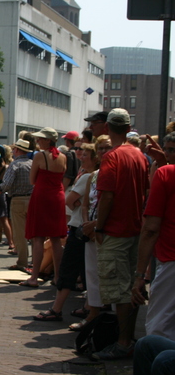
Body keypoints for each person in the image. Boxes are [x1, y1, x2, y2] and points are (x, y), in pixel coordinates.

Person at [90, 108, 149, 361]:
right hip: (135, 228)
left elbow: (107, 197)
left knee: (119, 290)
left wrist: (99, 226)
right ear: (127, 128)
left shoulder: (112, 157)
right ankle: (127, 340)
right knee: (131, 289)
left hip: (116, 230)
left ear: (106, 129)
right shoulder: (138, 155)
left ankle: (123, 343)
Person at [33, 143, 98, 324]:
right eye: (80, 153)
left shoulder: (87, 177)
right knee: (88, 271)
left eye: (85, 154)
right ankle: (88, 307)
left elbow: (69, 201)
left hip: (79, 227)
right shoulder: (91, 176)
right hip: (87, 226)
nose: (80, 157)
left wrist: (79, 204)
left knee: (69, 268)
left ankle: (57, 308)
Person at [132, 133, 175, 340]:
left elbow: (150, 228)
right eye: (166, 148)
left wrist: (140, 275)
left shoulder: (166, 174)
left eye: (171, 149)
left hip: (170, 260)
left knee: (159, 329)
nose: (166, 153)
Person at [20, 127, 67, 288]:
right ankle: (58, 276)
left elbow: (32, 180)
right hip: (58, 196)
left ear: (48, 140)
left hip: (42, 196)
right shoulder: (63, 157)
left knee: (38, 237)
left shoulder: (40, 156)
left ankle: (34, 277)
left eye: (41, 139)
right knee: (55, 239)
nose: (38, 141)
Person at [76, 135, 113, 327]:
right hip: (91, 231)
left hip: (109, 231)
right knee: (91, 272)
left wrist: (97, 224)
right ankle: (93, 312)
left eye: (107, 148)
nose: (103, 152)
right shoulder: (93, 175)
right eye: (100, 149)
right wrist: (86, 224)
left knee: (109, 273)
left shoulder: (116, 173)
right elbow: (84, 205)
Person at [0, 138, 33, 272]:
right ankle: (35, 261)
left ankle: (22, 261)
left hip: (17, 200)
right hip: (32, 200)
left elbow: (7, 184)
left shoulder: (15, 165)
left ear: (17, 150)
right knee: (33, 233)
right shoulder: (32, 163)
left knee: (20, 233)